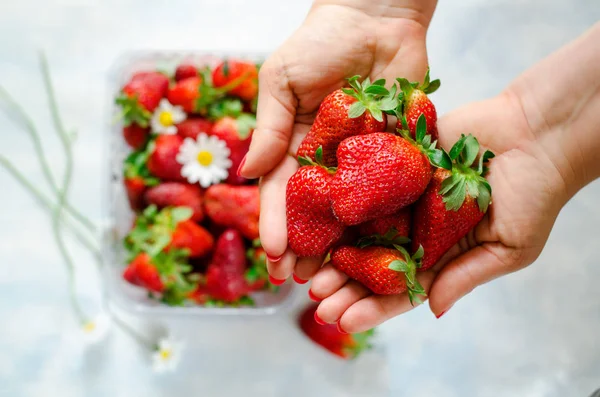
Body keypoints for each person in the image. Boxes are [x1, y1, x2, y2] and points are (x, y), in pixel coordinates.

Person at [238, 0, 600, 334]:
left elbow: (355, 190)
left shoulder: (406, 171)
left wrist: (552, 144)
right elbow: (355, 187)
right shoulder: (389, 167)